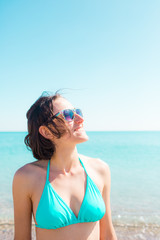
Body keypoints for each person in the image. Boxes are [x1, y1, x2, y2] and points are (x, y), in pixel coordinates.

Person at [12, 92, 117, 240]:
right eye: (68, 115)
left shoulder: (100, 169)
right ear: (46, 132)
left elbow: (108, 234)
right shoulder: (26, 177)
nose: (80, 119)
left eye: (77, 112)